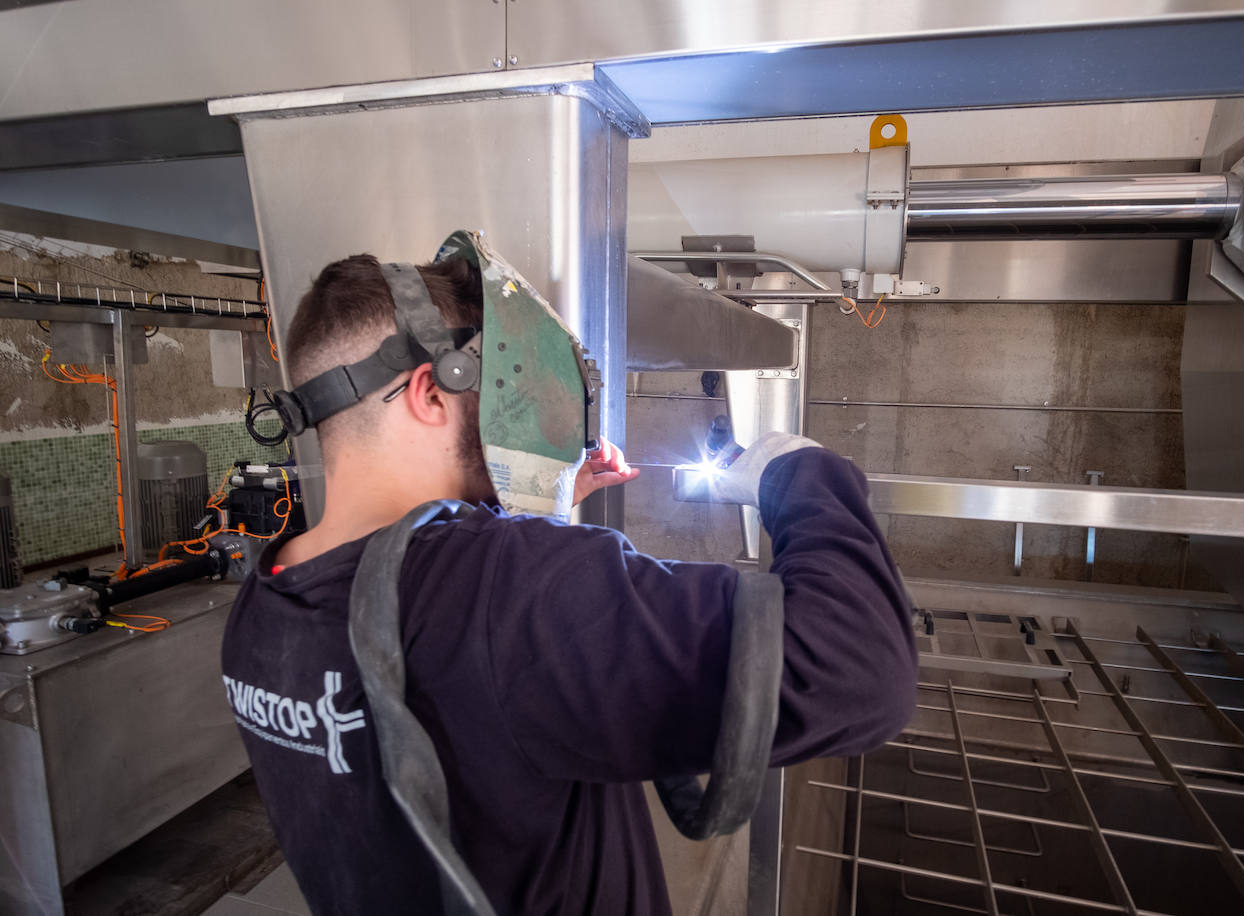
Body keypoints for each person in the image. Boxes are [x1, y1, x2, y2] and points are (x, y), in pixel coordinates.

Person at [220, 252, 918, 915]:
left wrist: (537, 508)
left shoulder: (264, 604)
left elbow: (468, 706)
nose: (511, 412)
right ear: (432, 392)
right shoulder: (507, 586)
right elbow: (856, 666)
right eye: (498, 386)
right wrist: (797, 473)